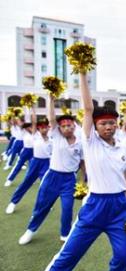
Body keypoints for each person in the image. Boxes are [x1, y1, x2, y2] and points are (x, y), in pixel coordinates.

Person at [34, 70, 126, 271]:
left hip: (119, 207)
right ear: (95, 127)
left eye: (112, 123)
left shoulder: (123, 148)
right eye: (103, 124)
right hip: (95, 207)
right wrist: (82, 71)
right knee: (68, 256)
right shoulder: (90, 142)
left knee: (124, 255)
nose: (109, 127)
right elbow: (88, 109)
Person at [18, 96, 84, 244]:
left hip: (69, 180)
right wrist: (51, 99)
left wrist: (83, 181)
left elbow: (82, 164)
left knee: (67, 208)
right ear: (59, 128)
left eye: (70, 125)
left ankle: (64, 234)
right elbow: (52, 118)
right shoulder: (56, 135)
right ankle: (31, 230)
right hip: (53, 176)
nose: (67, 128)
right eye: (64, 126)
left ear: (74, 126)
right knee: (42, 206)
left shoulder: (80, 142)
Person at [5, 117, 51, 214]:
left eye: (46, 127)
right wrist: (30, 105)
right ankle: (13, 203)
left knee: (45, 185)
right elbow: (33, 120)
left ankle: (43, 204)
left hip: (47, 163)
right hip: (35, 162)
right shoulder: (35, 135)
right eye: (41, 127)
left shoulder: (51, 138)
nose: (44, 129)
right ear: (38, 128)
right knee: (26, 183)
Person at [5, 107, 36, 186]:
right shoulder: (24, 131)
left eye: (31, 127)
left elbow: (33, 121)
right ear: (25, 128)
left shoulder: (35, 132)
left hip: (34, 152)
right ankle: (9, 179)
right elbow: (20, 122)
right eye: (28, 127)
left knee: (33, 167)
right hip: (25, 151)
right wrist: (16, 113)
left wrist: (33, 109)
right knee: (18, 166)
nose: (30, 128)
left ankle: (29, 179)